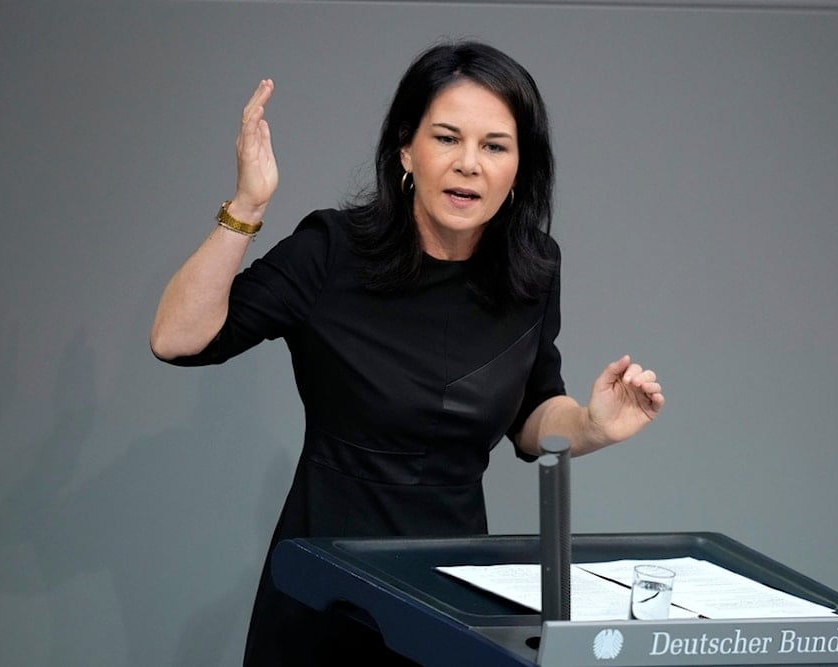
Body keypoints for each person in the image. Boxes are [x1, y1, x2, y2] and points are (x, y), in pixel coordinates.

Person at [150, 40, 665, 666]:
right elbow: (178, 339)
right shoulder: (331, 250)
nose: (468, 164)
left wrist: (589, 426)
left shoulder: (534, 268)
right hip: (326, 584)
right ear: (406, 149)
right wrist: (248, 205)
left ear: (520, 167)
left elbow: (532, 421)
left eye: (494, 146)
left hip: (452, 589)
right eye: (447, 138)